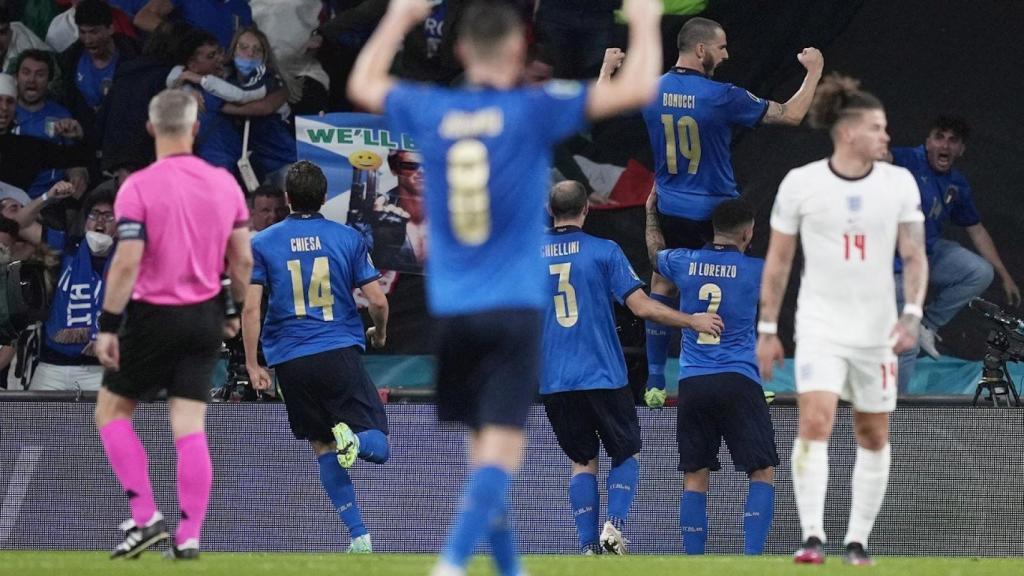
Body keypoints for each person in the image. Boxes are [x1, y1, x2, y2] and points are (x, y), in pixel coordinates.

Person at [348, 0, 664, 574]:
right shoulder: (531, 108)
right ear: (519, 49)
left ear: (462, 50)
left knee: (482, 453)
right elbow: (638, 85)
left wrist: (399, 15)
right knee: (500, 452)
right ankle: (452, 560)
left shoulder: (433, 108)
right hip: (514, 308)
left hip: (454, 309)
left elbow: (363, 81)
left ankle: (509, 568)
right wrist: (643, 19)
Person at [756, 74, 928, 565]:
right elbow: (779, 263)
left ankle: (858, 541)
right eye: (878, 128)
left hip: (876, 330)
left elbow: (914, 256)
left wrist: (911, 315)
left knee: (873, 433)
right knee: (815, 420)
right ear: (849, 132)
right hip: (820, 326)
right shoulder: (801, 184)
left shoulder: (899, 183)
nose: (887, 137)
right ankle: (813, 537)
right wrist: (768, 330)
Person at [93, 88, 252, 560]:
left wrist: (107, 324)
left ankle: (145, 518)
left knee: (112, 411)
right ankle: (189, 537)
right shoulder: (225, 183)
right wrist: (230, 310)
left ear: (150, 128)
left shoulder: (138, 187)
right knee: (189, 426)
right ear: (195, 128)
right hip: (204, 317)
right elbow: (242, 261)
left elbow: (127, 262)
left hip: (151, 315)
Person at [640, 17, 824, 404]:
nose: (727, 55)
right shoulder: (722, 95)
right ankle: (747, 376)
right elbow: (791, 114)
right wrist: (814, 72)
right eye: (721, 47)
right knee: (736, 285)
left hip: (672, 206)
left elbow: (604, 100)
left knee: (663, 284)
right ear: (702, 49)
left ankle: (655, 380)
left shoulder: (650, 89)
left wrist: (607, 71)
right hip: (717, 212)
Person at [540, 180, 722, 556]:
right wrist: (691, 320)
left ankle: (588, 547)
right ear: (586, 209)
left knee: (581, 460)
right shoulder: (604, 251)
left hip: (555, 376)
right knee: (626, 454)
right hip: (602, 371)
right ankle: (614, 526)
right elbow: (641, 306)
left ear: (550, 211)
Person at [242, 160, 391, 553]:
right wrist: (379, 331)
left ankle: (358, 536)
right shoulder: (346, 238)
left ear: (288, 199)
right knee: (377, 444)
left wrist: (254, 364)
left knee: (322, 445)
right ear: (324, 197)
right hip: (338, 349)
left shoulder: (262, 242)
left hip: (290, 360)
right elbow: (377, 300)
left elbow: (251, 309)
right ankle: (355, 444)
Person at [646, 193, 778, 555]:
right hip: (739, 379)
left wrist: (650, 215)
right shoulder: (758, 269)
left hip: (693, 382)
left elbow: (654, 254)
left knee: (695, 474)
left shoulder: (684, 261)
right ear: (748, 233)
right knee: (762, 470)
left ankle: (694, 562)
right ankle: (751, 560)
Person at [888, 116, 1020, 390]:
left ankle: (928, 324)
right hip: (892, 264)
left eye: (953, 140)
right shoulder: (907, 160)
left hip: (926, 253)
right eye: (939, 137)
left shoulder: (956, 184)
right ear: (927, 143)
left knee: (979, 271)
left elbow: (977, 230)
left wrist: (1004, 274)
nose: (945, 144)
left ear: (961, 150)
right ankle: (892, 416)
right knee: (904, 344)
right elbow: (878, 157)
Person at [16, 184, 115, 392]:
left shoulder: (130, 260)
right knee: (31, 423)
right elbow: (20, 225)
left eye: (108, 216)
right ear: (85, 221)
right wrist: (47, 196)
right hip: (52, 367)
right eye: (94, 214)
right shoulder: (66, 247)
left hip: (100, 370)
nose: (100, 221)